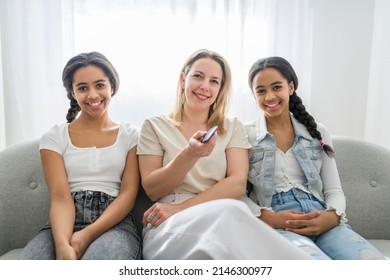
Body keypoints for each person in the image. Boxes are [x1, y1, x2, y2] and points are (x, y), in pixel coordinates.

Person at [137, 49, 313, 260]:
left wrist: (182, 208)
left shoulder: (232, 127)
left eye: (214, 81)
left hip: (220, 214)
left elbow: (237, 183)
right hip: (169, 222)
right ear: (183, 79)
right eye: (198, 76)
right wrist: (190, 154)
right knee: (232, 215)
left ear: (220, 89)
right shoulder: (154, 126)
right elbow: (153, 189)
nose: (205, 86)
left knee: (232, 215)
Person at [242, 56, 386, 260]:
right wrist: (268, 218)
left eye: (276, 87)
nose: (270, 97)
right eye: (261, 90)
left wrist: (333, 216)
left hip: (321, 217)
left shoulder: (318, 131)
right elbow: (237, 193)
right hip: (277, 223)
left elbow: (334, 190)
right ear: (253, 95)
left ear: (290, 87)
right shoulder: (244, 135)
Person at [18, 52, 141, 260]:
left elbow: (128, 194)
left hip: (114, 225)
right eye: (83, 88)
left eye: (100, 85)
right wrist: (63, 245)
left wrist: (86, 235)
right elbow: (60, 197)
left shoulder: (131, 135)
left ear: (112, 86)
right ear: (72, 93)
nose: (93, 95)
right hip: (63, 224)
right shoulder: (54, 137)